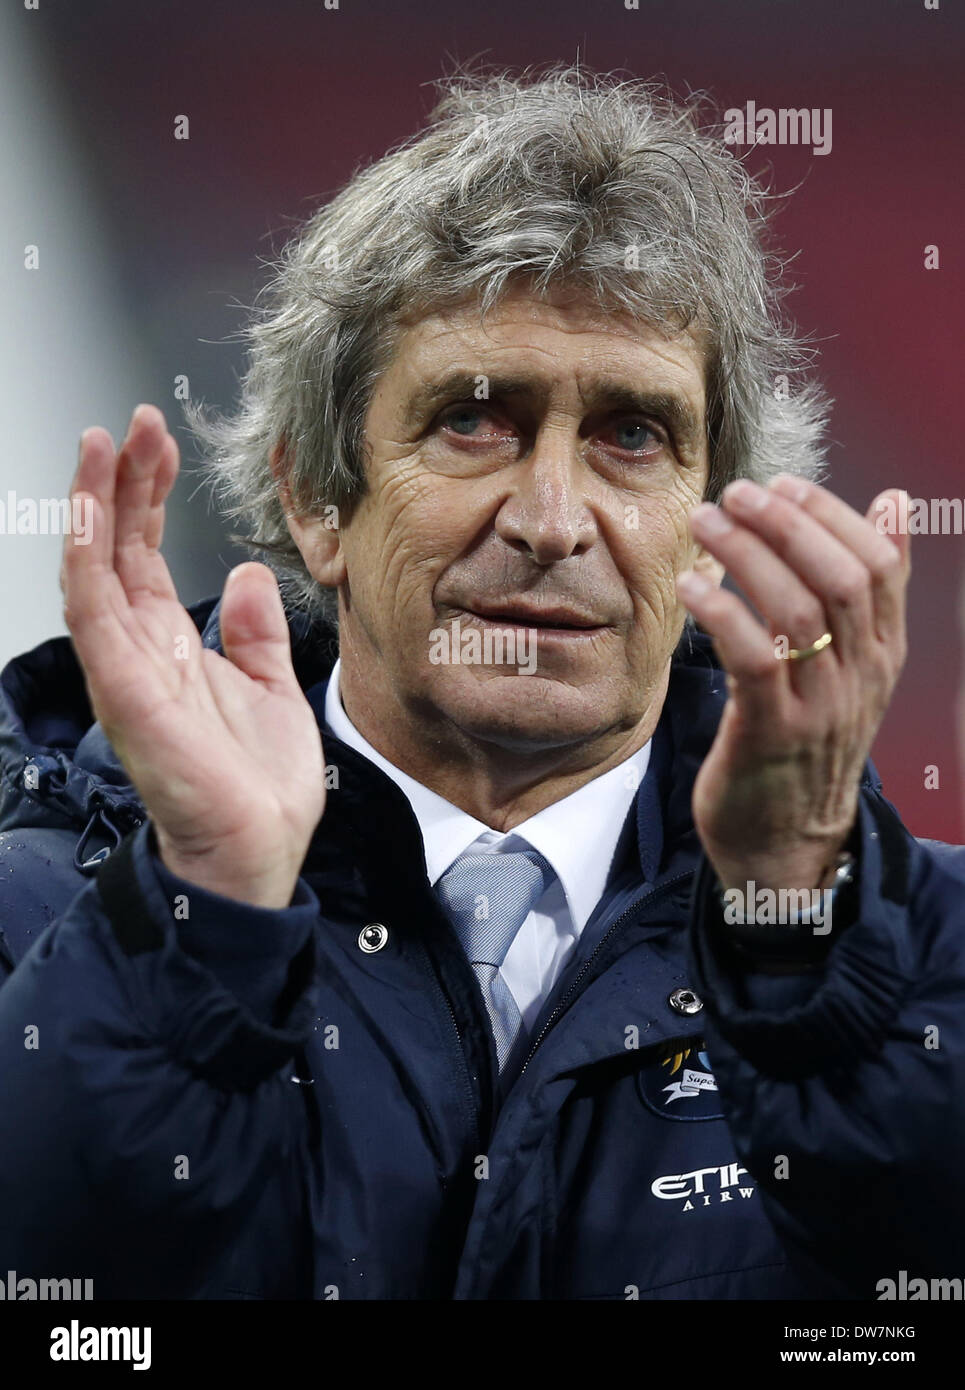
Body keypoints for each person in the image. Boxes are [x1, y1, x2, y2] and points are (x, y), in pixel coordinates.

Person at [1, 66, 962, 1302]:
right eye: (472, 419)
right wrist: (200, 930)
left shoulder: (908, 955)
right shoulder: (42, 920)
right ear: (313, 499)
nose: (552, 521)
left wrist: (796, 949)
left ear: (711, 522)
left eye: (631, 434)